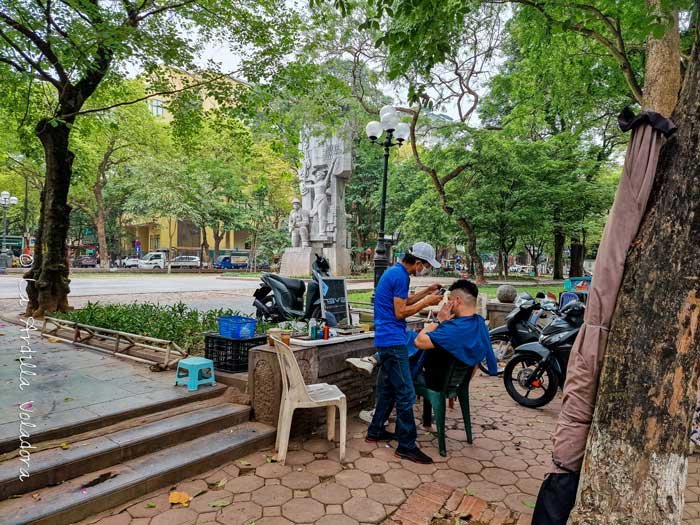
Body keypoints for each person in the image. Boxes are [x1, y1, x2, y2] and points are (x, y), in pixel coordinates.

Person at [365, 242, 444, 464]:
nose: (426, 268)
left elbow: (403, 302)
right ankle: (406, 446)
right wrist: (429, 301)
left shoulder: (397, 273)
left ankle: (375, 430)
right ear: (417, 262)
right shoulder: (399, 276)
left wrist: (427, 291)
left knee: (389, 388)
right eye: (426, 264)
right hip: (392, 340)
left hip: (387, 338)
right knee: (406, 394)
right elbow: (400, 313)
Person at [413, 279, 498, 390]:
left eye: (449, 300)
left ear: (457, 301)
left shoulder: (453, 330)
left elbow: (418, 342)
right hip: (460, 382)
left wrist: (438, 320)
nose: (446, 303)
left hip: (437, 383)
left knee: (398, 365)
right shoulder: (480, 324)